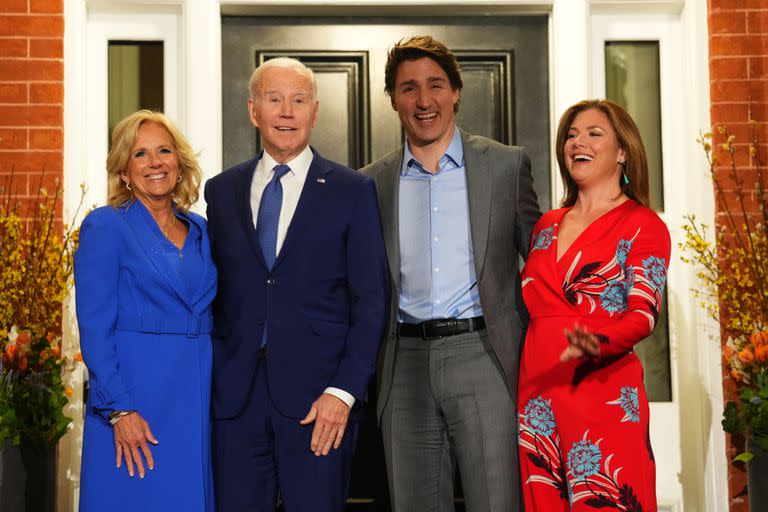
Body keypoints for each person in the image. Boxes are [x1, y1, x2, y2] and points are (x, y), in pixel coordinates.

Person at [361, 36, 541, 511]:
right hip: (403, 364)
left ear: (456, 91)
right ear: (394, 99)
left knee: (497, 501)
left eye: (435, 85)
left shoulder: (506, 166)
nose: (424, 101)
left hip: (485, 355)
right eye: (408, 89)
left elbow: (543, 264)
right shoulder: (370, 183)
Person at [204, 57, 389, 512]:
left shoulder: (352, 189)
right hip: (236, 400)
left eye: (299, 100)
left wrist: (344, 391)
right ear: (254, 111)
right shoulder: (220, 191)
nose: (287, 111)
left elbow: (372, 299)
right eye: (274, 99)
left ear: (314, 111)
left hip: (319, 399)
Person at [517, 99, 669, 511]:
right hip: (539, 399)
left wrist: (598, 340)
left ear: (622, 152)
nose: (577, 142)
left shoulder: (644, 224)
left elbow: (644, 313)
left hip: (602, 395)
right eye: (570, 135)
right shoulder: (546, 224)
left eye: (593, 133)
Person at [74, 110, 217, 511]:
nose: (155, 162)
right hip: (134, 393)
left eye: (164, 151)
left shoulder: (203, 229)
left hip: (195, 393)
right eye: (140, 154)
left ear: (179, 161)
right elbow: (95, 328)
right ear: (123, 170)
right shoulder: (105, 226)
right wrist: (119, 409)